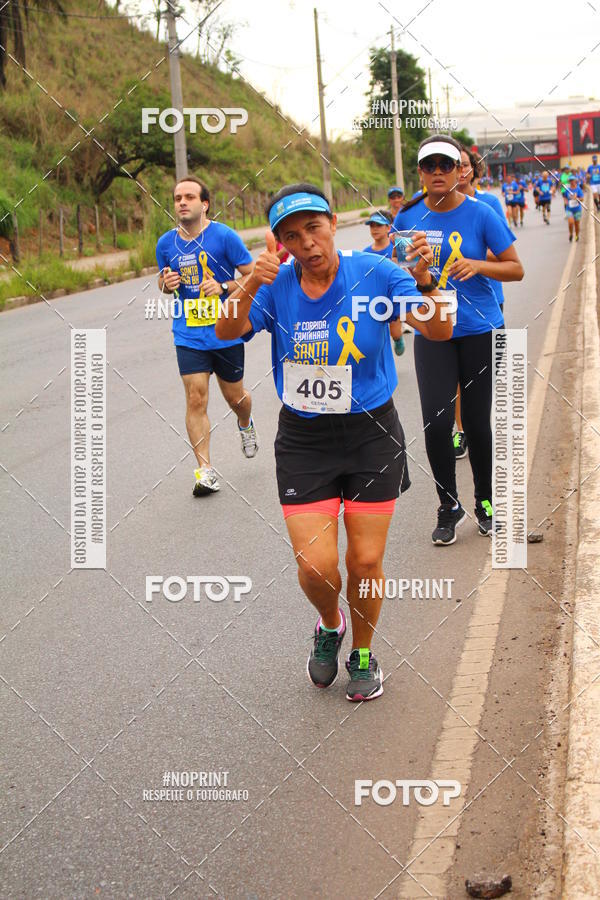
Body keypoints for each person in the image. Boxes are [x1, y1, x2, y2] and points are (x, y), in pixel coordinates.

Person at [216, 183, 452, 701]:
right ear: (280, 244)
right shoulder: (274, 284)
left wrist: (427, 283)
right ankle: (330, 623)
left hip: (371, 432)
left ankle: (364, 652)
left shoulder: (378, 272)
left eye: (314, 228)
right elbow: (224, 331)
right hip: (305, 439)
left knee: (364, 562)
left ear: (332, 223)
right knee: (316, 566)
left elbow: (437, 330)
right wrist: (250, 285)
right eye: (292, 236)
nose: (307, 244)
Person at [394, 135, 524, 544]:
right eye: (428, 166)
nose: (437, 172)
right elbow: (397, 277)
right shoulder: (406, 219)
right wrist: (416, 279)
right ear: (420, 172)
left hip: (479, 328)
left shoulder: (482, 214)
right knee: (436, 421)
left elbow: (516, 269)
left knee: (477, 423)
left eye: (444, 165)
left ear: (458, 171)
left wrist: (478, 265)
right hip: (433, 330)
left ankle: (486, 503)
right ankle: (449, 505)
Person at [156, 176, 258, 497]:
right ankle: (205, 472)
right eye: (177, 198)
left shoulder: (224, 237)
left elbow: (253, 275)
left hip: (225, 330)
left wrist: (224, 287)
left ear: (205, 204)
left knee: (236, 399)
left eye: (189, 197)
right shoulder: (165, 244)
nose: (182, 202)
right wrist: (166, 283)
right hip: (188, 333)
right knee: (196, 398)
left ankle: (245, 423)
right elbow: (163, 282)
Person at [362, 210, 406, 357]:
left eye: (379, 225)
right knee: (375, 337)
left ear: (388, 228)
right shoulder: (365, 252)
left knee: (394, 332)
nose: (374, 229)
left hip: (392, 297)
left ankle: (398, 339)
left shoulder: (397, 248)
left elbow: (406, 273)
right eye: (372, 226)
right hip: (373, 298)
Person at [565, 174, 584, 242]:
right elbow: (564, 196)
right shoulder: (567, 189)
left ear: (575, 181)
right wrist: (566, 201)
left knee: (577, 224)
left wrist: (577, 198)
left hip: (577, 209)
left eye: (572, 180)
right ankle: (570, 234)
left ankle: (577, 235)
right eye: (570, 181)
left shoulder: (578, 189)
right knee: (570, 222)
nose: (571, 182)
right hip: (569, 209)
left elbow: (582, 198)